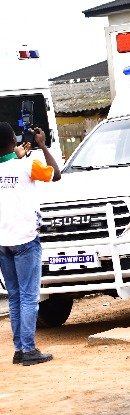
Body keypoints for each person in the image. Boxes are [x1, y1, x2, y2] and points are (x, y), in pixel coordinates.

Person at [0, 123, 61, 366]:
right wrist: (42, 145)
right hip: (26, 239)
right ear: (12, 142)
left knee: (14, 297)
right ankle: (28, 349)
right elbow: (56, 174)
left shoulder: (18, 162)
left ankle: (19, 349)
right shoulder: (27, 165)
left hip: (3, 242)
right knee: (28, 297)